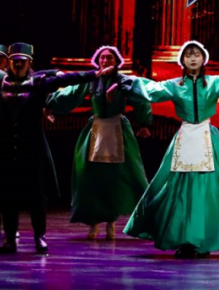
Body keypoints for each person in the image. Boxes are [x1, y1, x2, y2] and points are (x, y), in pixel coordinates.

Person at [0, 44, 112, 254]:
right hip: (6, 148)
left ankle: (39, 236)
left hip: (31, 148)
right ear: (10, 62)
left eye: (22, 61)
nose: (18, 64)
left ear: (29, 63)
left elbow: (67, 79)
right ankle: (10, 239)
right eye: (15, 61)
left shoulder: (38, 84)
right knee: (8, 195)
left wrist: (95, 73)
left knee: (36, 196)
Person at [123, 41, 219, 258]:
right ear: (182, 60)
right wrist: (125, 82)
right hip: (185, 139)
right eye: (188, 55)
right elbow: (152, 90)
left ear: (203, 59)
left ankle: (204, 240)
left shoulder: (214, 83)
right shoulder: (175, 85)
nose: (192, 58)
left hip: (207, 138)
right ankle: (185, 239)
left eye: (197, 54)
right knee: (179, 190)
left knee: (209, 191)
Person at [46, 45, 152, 240]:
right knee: (90, 176)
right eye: (102, 58)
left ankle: (111, 222)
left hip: (118, 129)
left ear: (117, 61)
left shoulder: (124, 80)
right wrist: (51, 103)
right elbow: (71, 93)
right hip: (96, 129)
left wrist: (144, 123)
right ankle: (93, 224)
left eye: (109, 57)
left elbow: (141, 99)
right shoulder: (91, 80)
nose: (105, 61)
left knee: (116, 177)